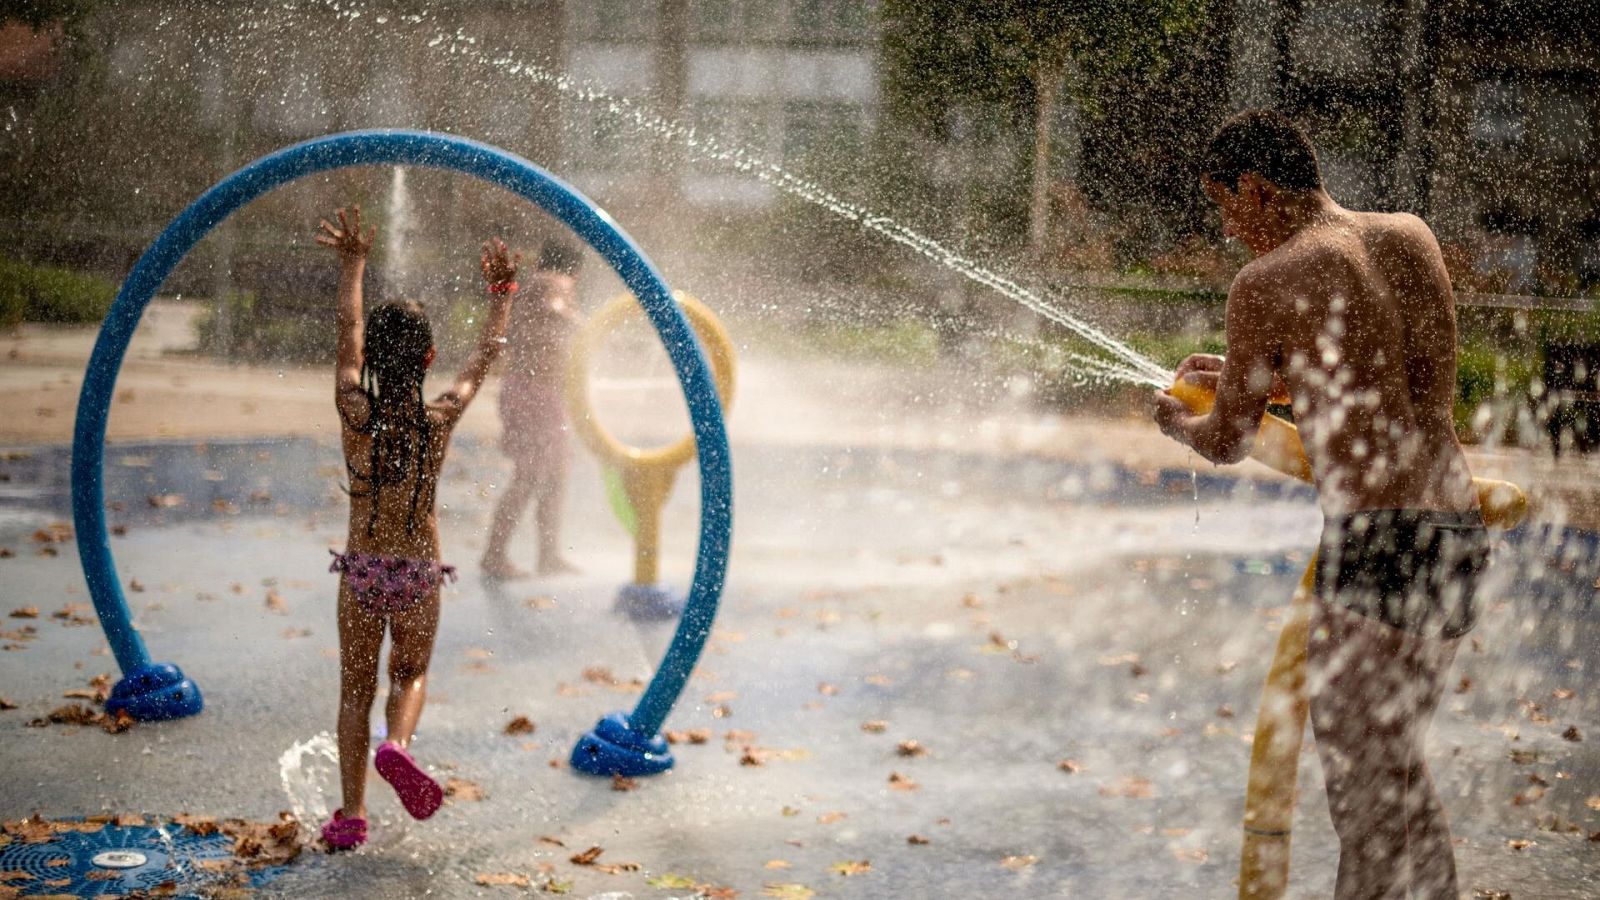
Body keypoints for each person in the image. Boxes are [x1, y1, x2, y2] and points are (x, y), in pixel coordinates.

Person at [1151, 110, 1488, 899]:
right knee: (1398, 765)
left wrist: (1178, 423)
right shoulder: (1409, 235)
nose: (1231, 230)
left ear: (1258, 189)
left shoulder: (1266, 282)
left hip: (1375, 540)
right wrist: (1274, 374)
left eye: (1226, 205)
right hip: (1454, 526)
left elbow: (1228, 441)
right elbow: (1399, 391)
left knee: (1362, 799)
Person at [317, 205, 518, 850]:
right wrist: (501, 294)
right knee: (409, 674)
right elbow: (486, 355)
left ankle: (351, 816)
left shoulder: (353, 406)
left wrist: (353, 264)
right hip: (416, 570)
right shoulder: (440, 418)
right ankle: (397, 746)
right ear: (430, 355)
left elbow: (348, 326)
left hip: (363, 569)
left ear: (373, 354)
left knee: (355, 688)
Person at [480, 236, 584, 580]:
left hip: (536, 393)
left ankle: (548, 555)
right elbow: (553, 306)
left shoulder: (533, 284)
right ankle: (495, 556)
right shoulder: (553, 281)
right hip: (533, 393)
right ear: (575, 270)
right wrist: (586, 326)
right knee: (529, 476)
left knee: (555, 475)